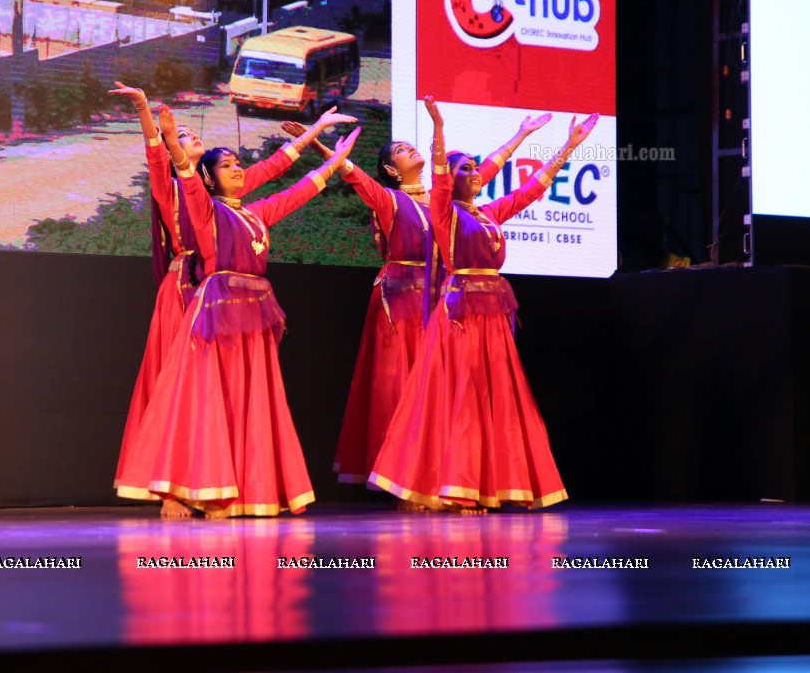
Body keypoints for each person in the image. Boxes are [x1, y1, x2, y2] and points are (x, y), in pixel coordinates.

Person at [279, 111, 551, 495]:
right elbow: (350, 172)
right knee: (404, 384)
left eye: (412, 145)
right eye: (402, 150)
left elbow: (487, 167)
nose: (411, 149)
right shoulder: (388, 200)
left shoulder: (446, 197)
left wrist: (521, 134)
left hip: (444, 297)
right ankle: (405, 476)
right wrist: (318, 143)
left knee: (446, 387)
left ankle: (448, 470)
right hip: (403, 299)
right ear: (391, 169)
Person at [108, 84, 354, 494]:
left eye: (192, 135)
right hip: (189, 288)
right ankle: (175, 476)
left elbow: (280, 175)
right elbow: (165, 160)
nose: (193, 138)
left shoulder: (239, 208)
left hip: (237, 300)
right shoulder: (179, 190)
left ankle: (236, 475)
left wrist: (317, 137)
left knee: (238, 393)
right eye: (185, 137)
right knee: (185, 385)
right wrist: (152, 118)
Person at [368, 96, 599, 514]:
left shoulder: (489, 213)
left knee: (500, 400)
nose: (475, 173)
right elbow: (439, 177)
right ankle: (457, 487)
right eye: (465, 169)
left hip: (493, 319)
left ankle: (498, 482)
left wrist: (569, 147)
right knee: (464, 402)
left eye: (476, 167)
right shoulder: (444, 213)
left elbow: (533, 189)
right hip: (460, 318)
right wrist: (438, 129)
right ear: (449, 181)